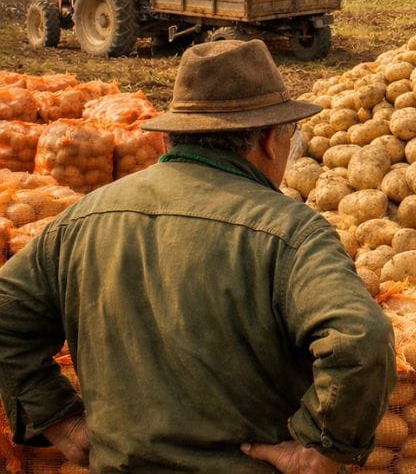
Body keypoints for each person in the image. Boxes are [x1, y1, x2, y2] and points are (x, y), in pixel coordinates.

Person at [0, 39, 396, 472]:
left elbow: (6, 312)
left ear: (171, 136)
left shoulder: (82, 218)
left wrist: (59, 418)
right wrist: (322, 447)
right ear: (268, 140)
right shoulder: (290, 231)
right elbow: (361, 340)